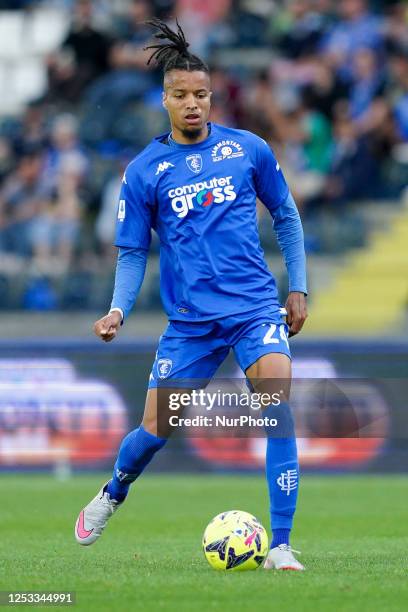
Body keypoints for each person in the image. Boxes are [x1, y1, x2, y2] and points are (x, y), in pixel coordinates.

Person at [74, 19, 308, 571]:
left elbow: (287, 216)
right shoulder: (144, 171)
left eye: (201, 94)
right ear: (165, 100)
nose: (193, 104)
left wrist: (296, 286)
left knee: (276, 404)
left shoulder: (247, 150)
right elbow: (132, 253)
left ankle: (280, 545)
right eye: (181, 95)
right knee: (154, 431)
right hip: (191, 325)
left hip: (254, 310)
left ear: (212, 95)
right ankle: (113, 491)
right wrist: (117, 309)